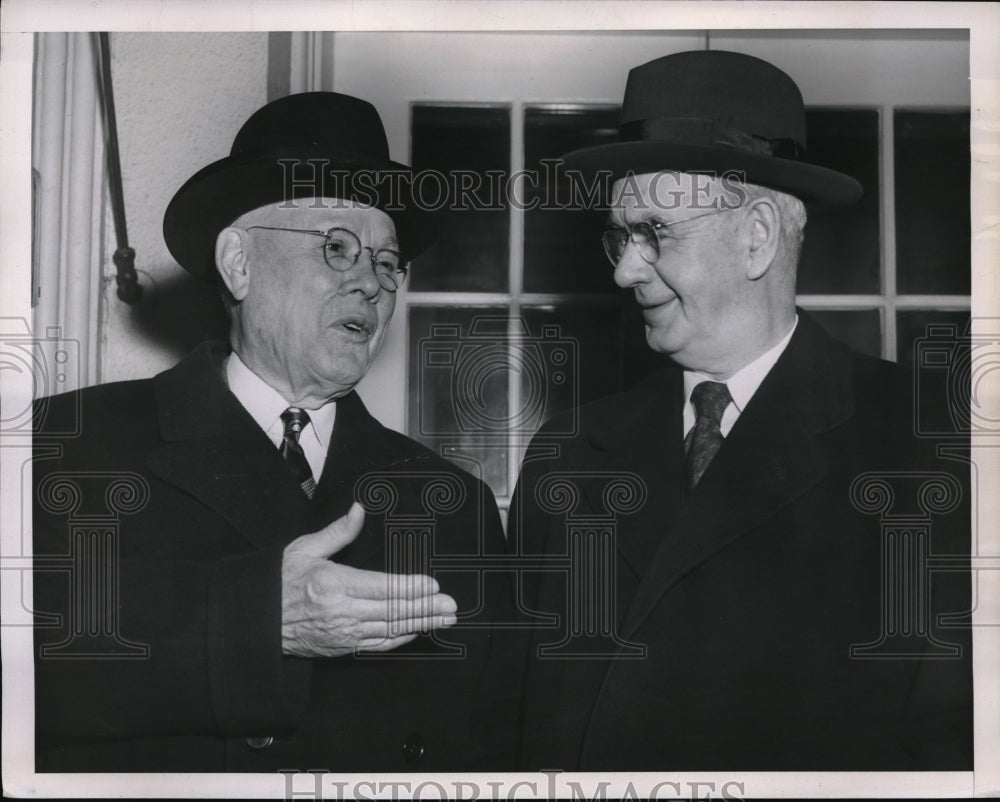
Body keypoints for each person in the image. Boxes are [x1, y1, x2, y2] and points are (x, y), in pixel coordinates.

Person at [511, 51, 972, 770]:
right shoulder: (568, 452)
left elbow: (957, 739)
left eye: (654, 233)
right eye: (619, 236)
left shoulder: (927, 444)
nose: (623, 270)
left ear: (756, 236)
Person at [32, 92, 513, 772]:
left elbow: (486, 746)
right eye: (337, 247)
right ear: (238, 263)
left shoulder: (452, 504)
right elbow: (28, 673)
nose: (372, 286)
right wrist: (256, 620)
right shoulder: (65, 447)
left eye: (386, 263)